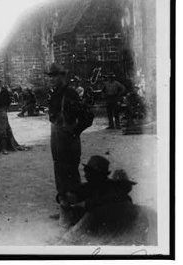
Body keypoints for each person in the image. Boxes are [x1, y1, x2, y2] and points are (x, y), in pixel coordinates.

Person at [47, 62, 83, 227]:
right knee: (59, 171)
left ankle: (76, 213)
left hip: (68, 140)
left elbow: (87, 115)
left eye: (56, 76)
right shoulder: (54, 94)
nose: (53, 80)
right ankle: (65, 210)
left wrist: (74, 131)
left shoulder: (70, 93)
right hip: (56, 136)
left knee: (70, 173)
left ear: (63, 76)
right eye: (51, 77)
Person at [66, 156, 138, 233]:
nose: (85, 174)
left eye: (88, 171)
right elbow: (76, 193)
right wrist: (66, 197)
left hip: (108, 226)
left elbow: (107, 200)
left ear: (97, 174)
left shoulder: (109, 187)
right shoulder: (90, 186)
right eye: (86, 170)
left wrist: (86, 203)